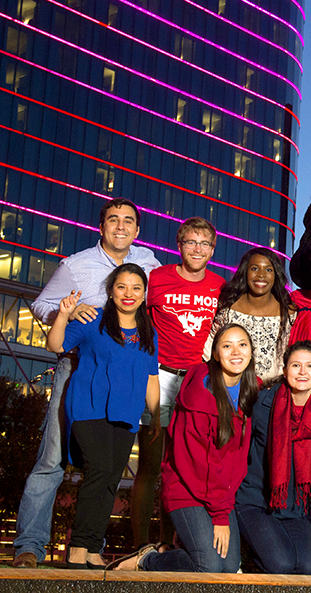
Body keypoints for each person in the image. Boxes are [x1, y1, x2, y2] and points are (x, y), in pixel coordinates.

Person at [13, 198, 159, 569]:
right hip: (79, 368)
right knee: (52, 460)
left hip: (125, 378)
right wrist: (69, 310)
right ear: (102, 226)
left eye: (129, 221)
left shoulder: (149, 264)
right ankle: (30, 546)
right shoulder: (76, 265)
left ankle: (90, 546)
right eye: (114, 220)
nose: (121, 227)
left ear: (138, 230)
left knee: (107, 470)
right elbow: (42, 306)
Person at [111, 324, 260, 573]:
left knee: (230, 567)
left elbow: (236, 459)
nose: (236, 352)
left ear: (251, 352)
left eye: (242, 345)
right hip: (187, 488)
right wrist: (220, 515)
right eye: (227, 346)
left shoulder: (252, 391)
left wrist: (223, 506)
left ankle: (178, 551)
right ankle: (147, 560)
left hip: (221, 493)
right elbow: (194, 463)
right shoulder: (198, 395)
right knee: (210, 565)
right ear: (214, 354)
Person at [46, 263, 160, 569]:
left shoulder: (149, 332)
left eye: (136, 288)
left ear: (144, 293)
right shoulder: (92, 319)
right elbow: (55, 344)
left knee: (112, 478)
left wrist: (156, 417)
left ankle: (94, 547)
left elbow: (151, 378)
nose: (129, 294)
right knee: (98, 471)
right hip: (89, 406)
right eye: (121, 286)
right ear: (111, 290)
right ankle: (78, 548)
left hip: (127, 413)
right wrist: (63, 314)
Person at [132, 217, 225, 548]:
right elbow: (131, 318)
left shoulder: (220, 286)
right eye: (191, 242)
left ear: (213, 250)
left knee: (184, 470)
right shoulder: (156, 279)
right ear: (179, 244)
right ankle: (139, 547)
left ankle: (169, 545)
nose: (197, 249)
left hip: (199, 383)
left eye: (204, 244)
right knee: (151, 465)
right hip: (159, 377)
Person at [235, 340, 311, 574]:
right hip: (257, 501)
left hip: (298, 507)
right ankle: (250, 557)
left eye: (310, 366)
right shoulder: (262, 402)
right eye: (295, 366)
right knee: (280, 564)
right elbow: (241, 449)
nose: (303, 372)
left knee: (310, 569)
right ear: (284, 370)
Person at [205, 248, 296, 386]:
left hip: (272, 392)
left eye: (268, 270)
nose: (261, 275)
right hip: (231, 387)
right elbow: (211, 346)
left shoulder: (289, 313)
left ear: (276, 275)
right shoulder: (228, 308)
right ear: (245, 272)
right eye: (254, 268)